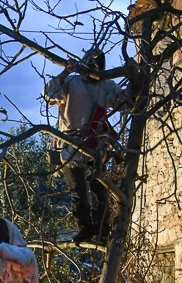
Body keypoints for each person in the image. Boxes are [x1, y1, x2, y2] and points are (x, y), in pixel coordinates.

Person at [43, 49, 129, 245]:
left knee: (98, 188)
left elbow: (126, 103)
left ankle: (101, 230)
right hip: (70, 143)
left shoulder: (106, 86)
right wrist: (66, 71)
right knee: (78, 190)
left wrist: (134, 80)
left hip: (96, 144)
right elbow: (50, 94)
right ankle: (85, 228)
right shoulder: (72, 82)